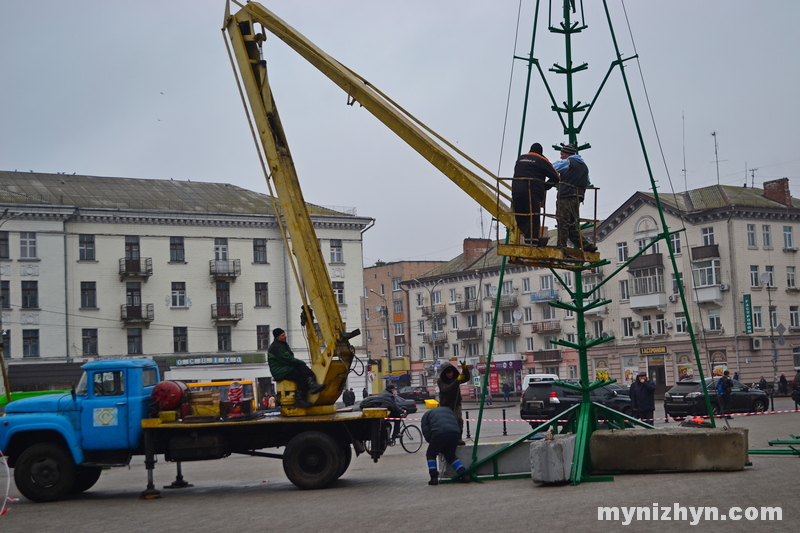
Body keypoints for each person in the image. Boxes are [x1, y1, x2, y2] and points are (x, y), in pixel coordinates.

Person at [512, 142, 559, 246]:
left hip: (517, 190)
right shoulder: (542, 160)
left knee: (520, 215)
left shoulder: (520, 159)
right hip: (533, 191)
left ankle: (528, 237)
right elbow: (556, 177)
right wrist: (545, 187)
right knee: (534, 215)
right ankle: (533, 240)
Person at [552, 143, 596, 253]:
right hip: (578, 198)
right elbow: (587, 182)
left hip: (566, 196)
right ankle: (586, 246)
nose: (561, 156)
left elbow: (552, 168)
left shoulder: (568, 162)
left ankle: (561, 248)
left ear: (567, 154)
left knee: (563, 221)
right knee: (571, 225)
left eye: (562, 154)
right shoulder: (584, 166)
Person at [267, 328, 326, 408]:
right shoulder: (279, 347)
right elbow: (288, 360)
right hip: (280, 370)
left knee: (300, 370)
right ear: (277, 337)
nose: (285, 336)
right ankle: (301, 399)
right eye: (282, 335)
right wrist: (301, 362)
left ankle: (311, 385)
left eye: (284, 334)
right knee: (299, 376)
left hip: (283, 368)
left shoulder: (280, 344)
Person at [421, 406, 471, 485]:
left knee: (431, 454)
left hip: (439, 433)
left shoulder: (426, 415)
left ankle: (434, 477)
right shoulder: (448, 410)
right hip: (455, 433)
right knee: (450, 456)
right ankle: (464, 474)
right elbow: (455, 423)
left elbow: (426, 432)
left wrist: (432, 443)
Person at [437, 361, 471, 445]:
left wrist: (465, 369)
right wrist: (457, 381)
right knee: (447, 423)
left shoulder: (455, 378)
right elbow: (447, 389)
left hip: (456, 404)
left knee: (458, 420)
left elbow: (466, 378)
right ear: (444, 373)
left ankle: (458, 438)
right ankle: (447, 439)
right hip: (445, 405)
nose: (450, 374)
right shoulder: (440, 381)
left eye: (451, 372)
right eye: (448, 373)